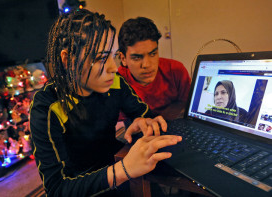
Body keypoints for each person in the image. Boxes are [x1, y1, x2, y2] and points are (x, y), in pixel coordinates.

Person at [30, 9, 182, 197]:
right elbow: (57, 189)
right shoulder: (47, 107)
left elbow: (142, 113)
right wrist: (123, 169)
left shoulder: (115, 82)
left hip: (114, 161)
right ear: (68, 60)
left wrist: (143, 121)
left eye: (113, 55)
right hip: (82, 185)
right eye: (101, 58)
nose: (113, 67)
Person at [117, 17, 191, 120]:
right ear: (123, 58)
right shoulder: (115, 82)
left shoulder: (176, 70)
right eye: (137, 58)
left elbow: (189, 107)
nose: (147, 65)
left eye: (153, 54)